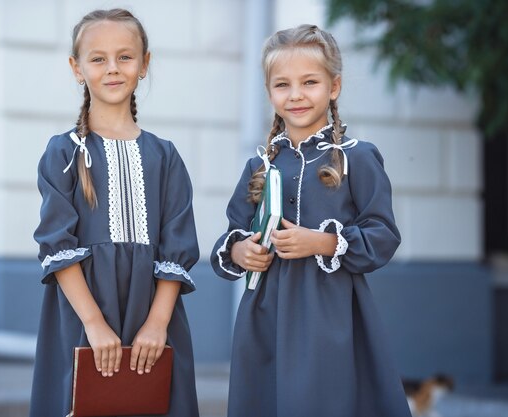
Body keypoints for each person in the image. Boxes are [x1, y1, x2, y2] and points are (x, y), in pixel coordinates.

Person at [210, 24, 411, 417]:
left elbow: (383, 234)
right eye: (282, 84)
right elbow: (234, 229)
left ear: (333, 87)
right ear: (269, 93)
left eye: (310, 82)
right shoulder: (260, 164)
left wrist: (322, 243)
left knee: (322, 400)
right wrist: (240, 249)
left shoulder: (358, 157)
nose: (296, 94)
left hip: (330, 312)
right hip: (264, 314)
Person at [30, 9, 200, 417]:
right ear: (77, 68)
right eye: (98, 58)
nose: (112, 69)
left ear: (144, 64)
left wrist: (158, 324)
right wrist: (93, 323)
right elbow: (57, 245)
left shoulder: (165, 155)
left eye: (125, 57)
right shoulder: (64, 152)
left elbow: (177, 247)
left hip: (153, 316)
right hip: (82, 317)